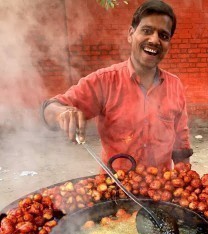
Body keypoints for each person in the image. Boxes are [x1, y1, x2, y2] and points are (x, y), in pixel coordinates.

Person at [42, 0, 192, 170]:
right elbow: (49, 108)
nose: (154, 40)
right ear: (130, 34)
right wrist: (62, 112)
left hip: (158, 191)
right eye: (147, 31)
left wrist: (185, 181)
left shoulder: (175, 85)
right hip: (114, 189)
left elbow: (181, 143)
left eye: (163, 36)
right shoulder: (104, 81)